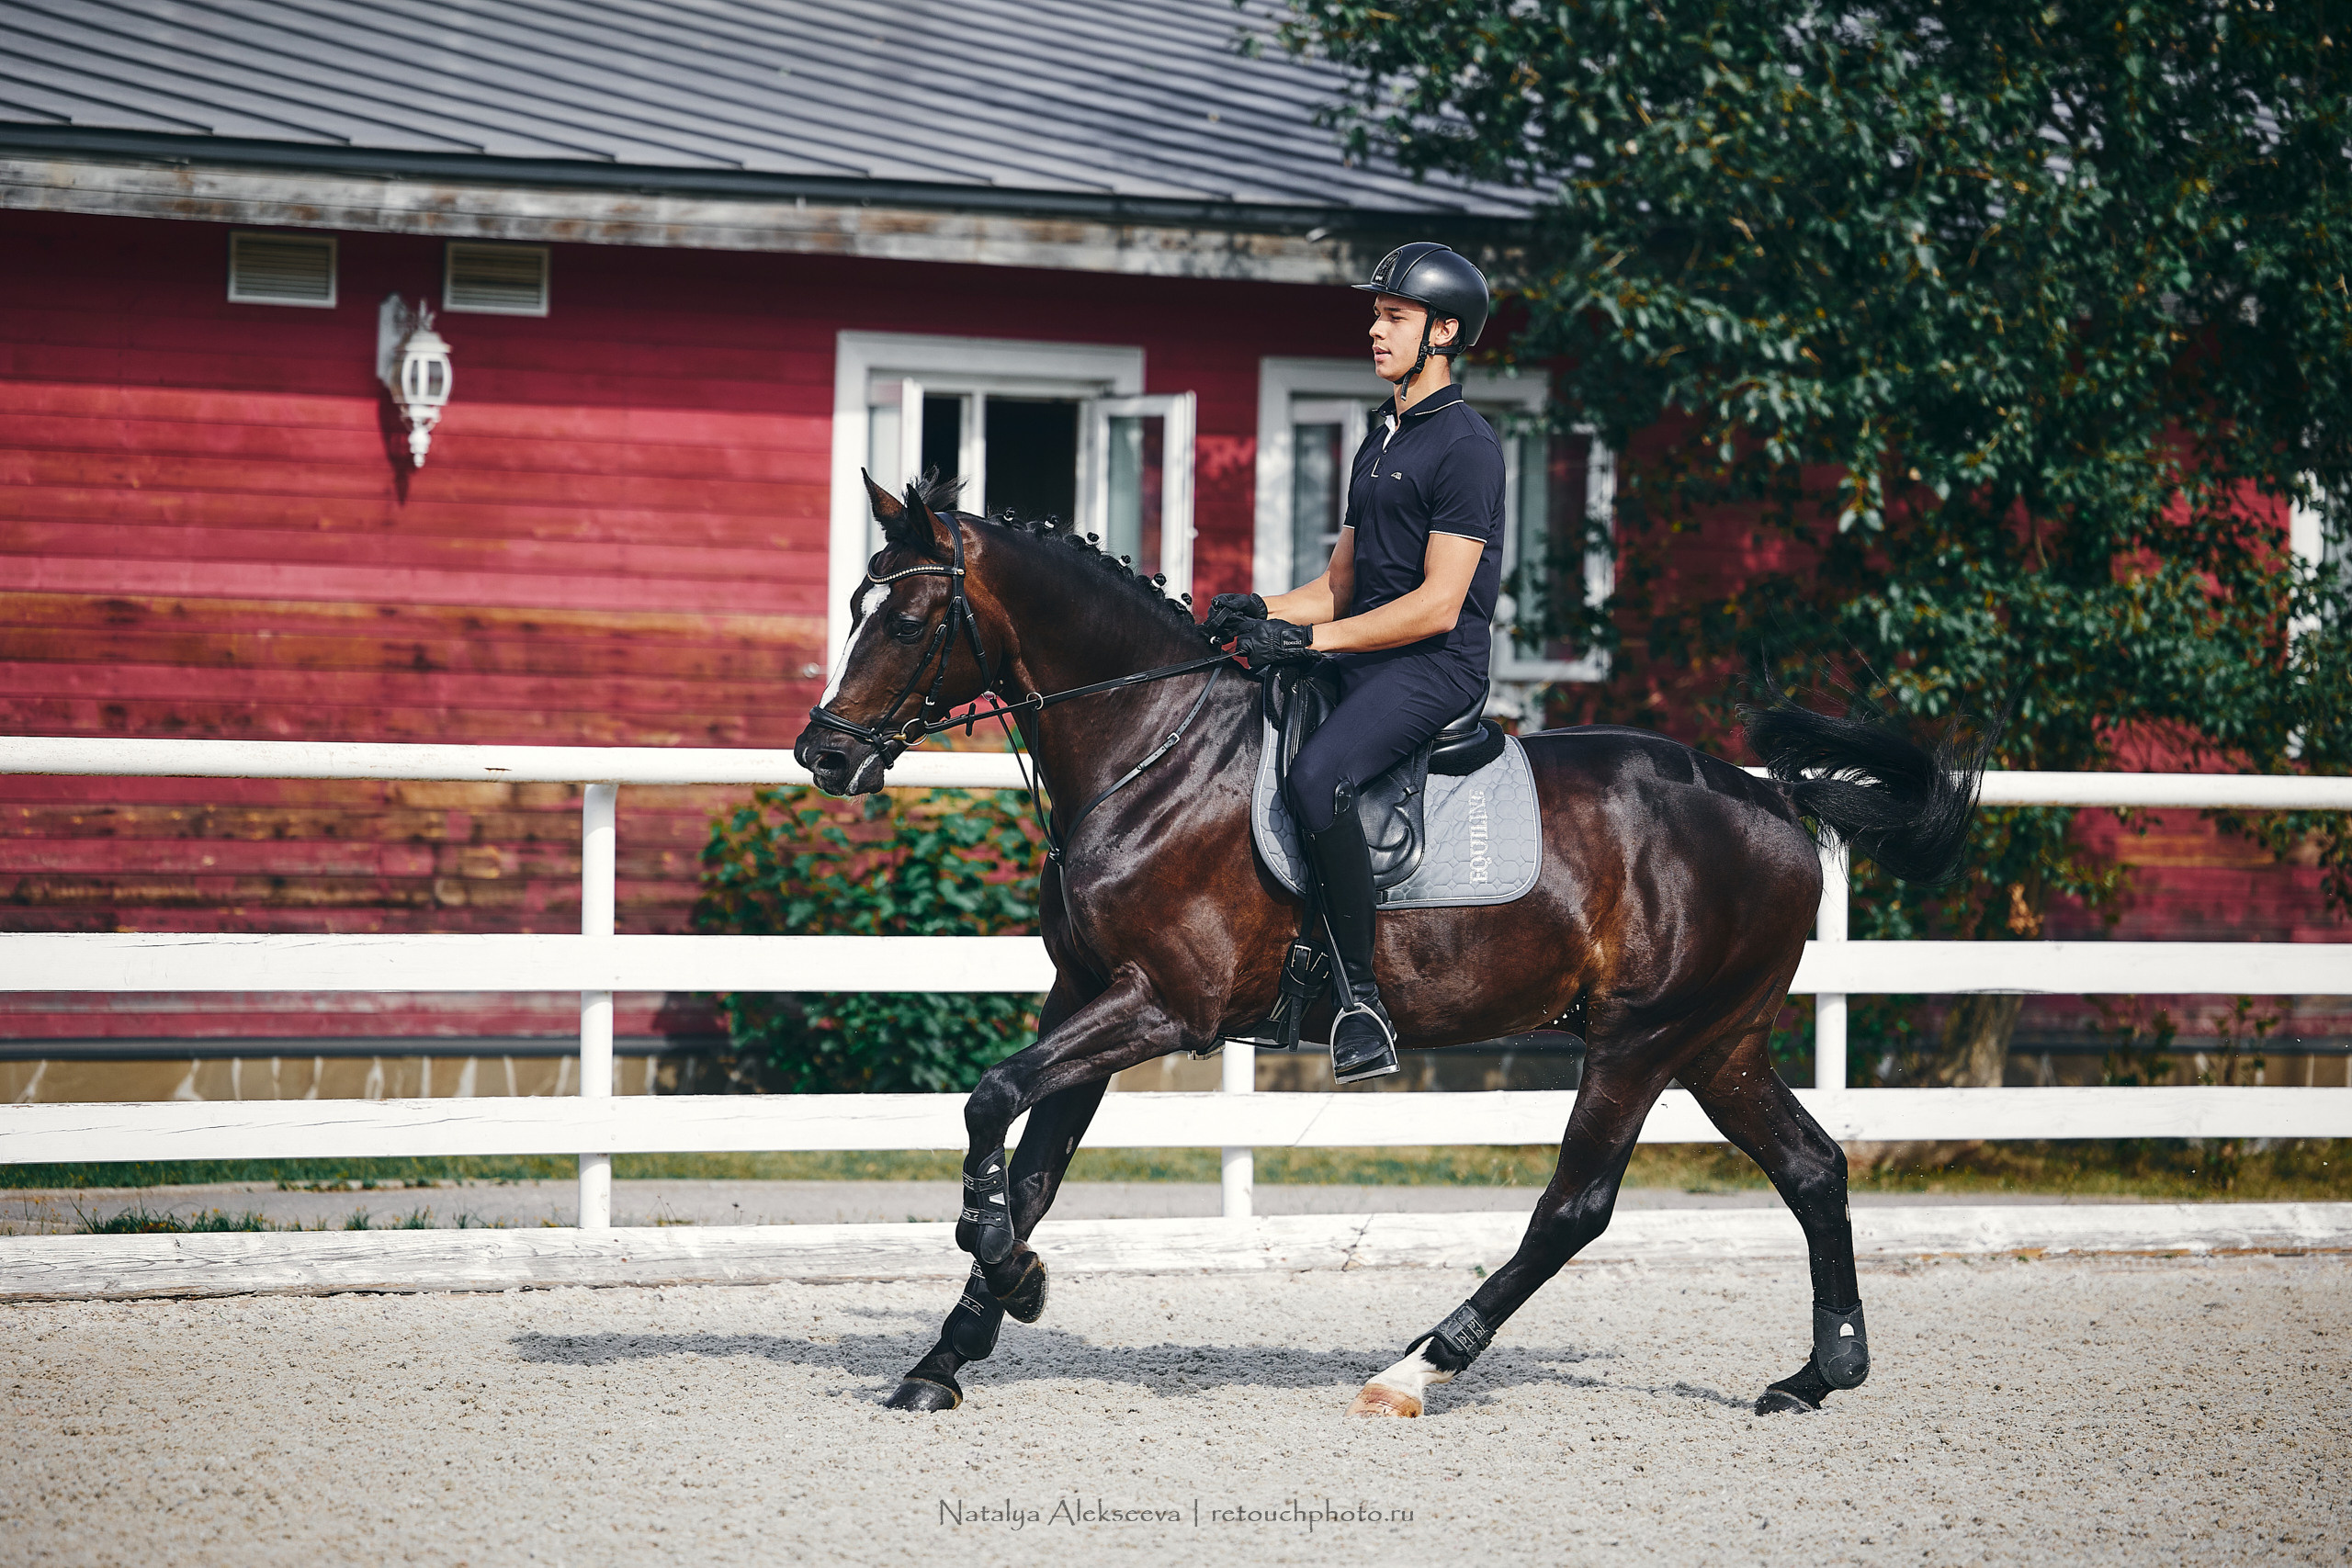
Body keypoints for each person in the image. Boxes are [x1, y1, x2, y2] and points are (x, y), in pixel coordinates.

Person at [1207, 243, 1504, 1084]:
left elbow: (1439, 603)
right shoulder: (1381, 440)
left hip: (1432, 666)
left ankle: (1361, 999)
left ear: (1444, 332)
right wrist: (1259, 610)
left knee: (1314, 778)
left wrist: (1308, 642)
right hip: (1365, 656)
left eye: (1394, 317)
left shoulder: (1467, 447)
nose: (1375, 330)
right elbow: (1340, 585)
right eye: (1376, 314)